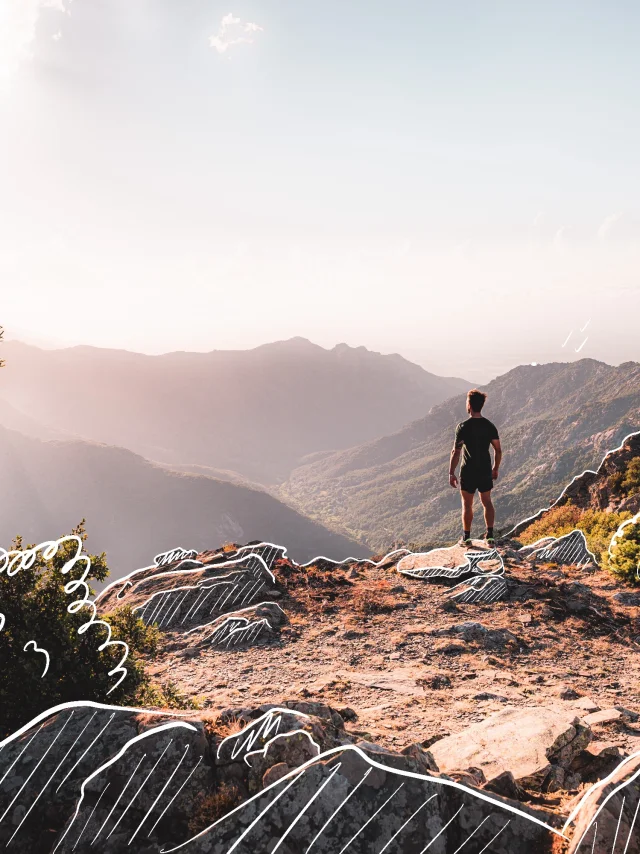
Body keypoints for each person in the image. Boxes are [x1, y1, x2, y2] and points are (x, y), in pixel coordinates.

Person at [448, 389, 502, 546]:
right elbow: (498, 450)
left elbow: (456, 451)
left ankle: (466, 537)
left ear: (469, 405)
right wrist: (495, 468)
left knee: (467, 504)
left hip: (468, 471)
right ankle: (490, 536)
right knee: (487, 501)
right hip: (485, 470)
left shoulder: (463, 427)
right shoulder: (489, 426)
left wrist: (451, 472)